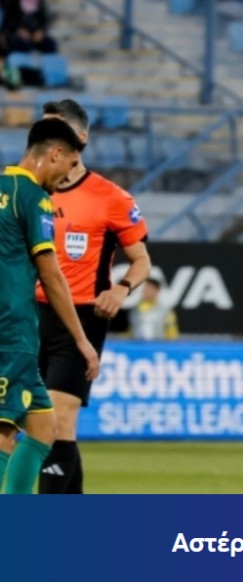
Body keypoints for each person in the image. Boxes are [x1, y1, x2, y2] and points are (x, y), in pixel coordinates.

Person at [35, 100, 152, 494]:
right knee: (40, 424)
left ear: (80, 138)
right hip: (27, 315)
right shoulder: (26, 190)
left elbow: (141, 261)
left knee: (58, 420)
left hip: (82, 318)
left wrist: (121, 288)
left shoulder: (111, 198)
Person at [0, 118, 99, 494]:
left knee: (45, 427)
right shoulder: (34, 197)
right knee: (4, 432)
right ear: (55, 154)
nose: (69, 175)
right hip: (13, 330)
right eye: (71, 164)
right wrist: (81, 340)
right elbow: (52, 276)